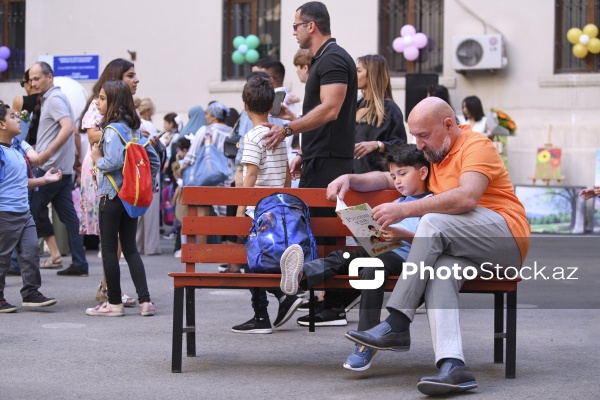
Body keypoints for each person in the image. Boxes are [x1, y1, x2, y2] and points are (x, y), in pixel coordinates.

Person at [328, 97, 530, 396]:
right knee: (440, 272)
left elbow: (466, 198)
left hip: (506, 238)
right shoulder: (435, 157)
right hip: (466, 248)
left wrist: (405, 211)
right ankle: (454, 366)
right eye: (415, 136)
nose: (419, 144)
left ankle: (397, 321)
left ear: (449, 125)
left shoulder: (477, 145)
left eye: (424, 135)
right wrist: (350, 177)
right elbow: (388, 176)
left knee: (433, 221)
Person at [279, 143, 430, 371]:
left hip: (405, 257)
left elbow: (432, 241)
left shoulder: (433, 201)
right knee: (343, 255)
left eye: (402, 174)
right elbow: (379, 182)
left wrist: (402, 234)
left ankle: (365, 344)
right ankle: (300, 277)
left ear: (423, 172)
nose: (397, 181)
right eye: (393, 176)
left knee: (371, 270)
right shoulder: (399, 200)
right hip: (382, 249)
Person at [262, 1, 359, 326]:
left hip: (331, 162)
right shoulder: (325, 58)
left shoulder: (332, 57)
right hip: (322, 157)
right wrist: (303, 140)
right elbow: (325, 115)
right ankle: (330, 299)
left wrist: (289, 128)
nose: (294, 32)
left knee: (326, 230)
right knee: (325, 230)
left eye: (295, 26)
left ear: (311, 26)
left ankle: (335, 301)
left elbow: (331, 109)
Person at [230, 75, 303, 334]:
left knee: (254, 260)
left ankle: (263, 313)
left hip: (256, 210)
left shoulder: (252, 137)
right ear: (272, 103)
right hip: (277, 207)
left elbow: (250, 175)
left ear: (245, 105)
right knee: (262, 258)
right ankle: (282, 298)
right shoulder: (278, 134)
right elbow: (284, 172)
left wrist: (240, 211)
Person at [86, 81, 160, 317]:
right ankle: (145, 301)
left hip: (111, 194)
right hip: (131, 196)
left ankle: (114, 303)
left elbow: (114, 161)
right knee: (130, 248)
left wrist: (97, 158)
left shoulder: (111, 131)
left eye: (102, 98)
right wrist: (142, 182)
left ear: (114, 103)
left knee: (108, 249)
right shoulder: (135, 130)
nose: (97, 102)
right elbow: (154, 161)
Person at [78, 58, 140, 305]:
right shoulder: (99, 104)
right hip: (101, 168)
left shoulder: (124, 107)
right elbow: (93, 133)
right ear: (116, 79)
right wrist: (125, 133)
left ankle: (108, 285)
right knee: (110, 233)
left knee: (117, 235)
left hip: (116, 170)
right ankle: (109, 288)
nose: (136, 80)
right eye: (130, 75)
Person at [28, 61, 89, 277]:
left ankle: (18, 265)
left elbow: (68, 128)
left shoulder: (54, 98)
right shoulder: (54, 98)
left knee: (27, 213)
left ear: (49, 77)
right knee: (69, 218)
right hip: (61, 170)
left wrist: (45, 154)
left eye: (37, 78)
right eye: (31, 79)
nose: (33, 83)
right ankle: (80, 263)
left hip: (48, 170)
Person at [0, 104, 61, 313]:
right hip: (4, 213)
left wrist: (44, 179)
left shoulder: (16, 148)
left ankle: (31, 293)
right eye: (12, 116)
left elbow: (20, 182)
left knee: (31, 252)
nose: (18, 119)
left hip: (23, 212)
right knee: (2, 257)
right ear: (1, 124)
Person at [353, 54, 406, 174]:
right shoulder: (354, 106)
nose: (354, 74)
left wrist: (378, 145)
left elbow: (401, 147)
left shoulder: (390, 109)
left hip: (376, 182)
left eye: (358, 71)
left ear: (371, 74)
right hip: (350, 180)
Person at [135, 97, 162, 256]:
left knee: (137, 210)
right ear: (149, 111)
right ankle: (151, 246)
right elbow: (161, 148)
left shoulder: (133, 123)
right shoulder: (150, 126)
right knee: (150, 212)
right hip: (150, 167)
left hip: (136, 169)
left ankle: (136, 245)